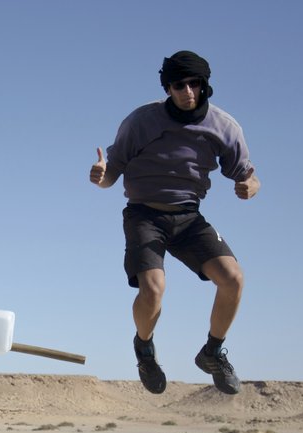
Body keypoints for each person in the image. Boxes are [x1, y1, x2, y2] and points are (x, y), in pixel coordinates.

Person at [89, 50, 260, 395]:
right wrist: (101, 176)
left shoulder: (223, 126)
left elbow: (250, 176)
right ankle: (145, 349)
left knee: (233, 279)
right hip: (144, 214)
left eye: (194, 84)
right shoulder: (141, 121)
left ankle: (212, 353)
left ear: (204, 85)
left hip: (188, 216)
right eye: (179, 85)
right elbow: (112, 172)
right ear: (168, 88)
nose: (187, 92)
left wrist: (248, 189)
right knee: (153, 289)